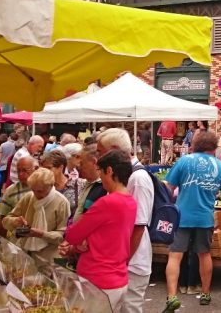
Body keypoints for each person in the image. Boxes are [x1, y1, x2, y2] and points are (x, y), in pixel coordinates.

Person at [163, 131, 221, 311]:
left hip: (182, 216)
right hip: (204, 218)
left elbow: (169, 187)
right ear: (214, 147)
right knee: (204, 254)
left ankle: (171, 296)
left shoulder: (184, 161)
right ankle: (206, 293)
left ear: (195, 144)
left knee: (175, 256)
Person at [61, 150, 137, 311]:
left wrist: (80, 241)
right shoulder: (131, 200)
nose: (100, 178)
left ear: (109, 171)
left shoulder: (107, 202)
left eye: (101, 172)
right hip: (118, 277)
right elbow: (108, 235)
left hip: (98, 279)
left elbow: (73, 234)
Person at [96, 128, 154, 313]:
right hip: (121, 260)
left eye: (99, 151)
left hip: (131, 263)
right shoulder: (123, 175)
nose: (97, 157)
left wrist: (122, 261)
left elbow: (138, 226)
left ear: (113, 149)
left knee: (128, 308)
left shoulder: (137, 178)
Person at [2, 167, 70, 268]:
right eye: (33, 190)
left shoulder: (62, 203)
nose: (36, 195)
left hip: (47, 260)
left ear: (51, 186)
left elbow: (63, 237)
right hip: (23, 254)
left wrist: (42, 234)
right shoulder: (29, 197)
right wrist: (16, 221)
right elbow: (5, 221)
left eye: (40, 191)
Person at [0, 157, 37, 237]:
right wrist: (1, 241)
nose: (20, 174)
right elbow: (2, 217)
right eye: (18, 171)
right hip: (17, 239)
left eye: (24, 170)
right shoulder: (10, 190)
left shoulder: (43, 188)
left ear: (36, 169)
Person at [72, 144, 105, 222]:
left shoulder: (103, 187)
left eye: (82, 163)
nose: (78, 166)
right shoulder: (88, 183)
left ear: (94, 162)